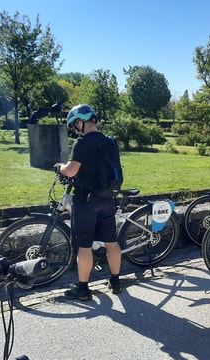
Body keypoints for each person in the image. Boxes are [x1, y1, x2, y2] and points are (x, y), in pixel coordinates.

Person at [55, 104, 122, 301]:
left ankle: (83, 289)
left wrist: (59, 167)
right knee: (111, 242)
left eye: (74, 126)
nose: (75, 130)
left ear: (79, 121)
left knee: (84, 245)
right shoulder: (110, 141)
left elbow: (71, 170)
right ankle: (116, 281)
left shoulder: (82, 143)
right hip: (107, 198)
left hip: (86, 200)